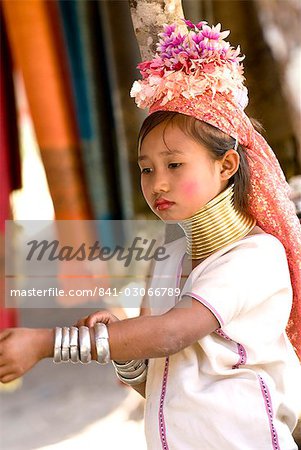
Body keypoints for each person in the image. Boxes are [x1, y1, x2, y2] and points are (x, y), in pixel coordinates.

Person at [1, 20, 301, 450]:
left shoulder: (255, 257)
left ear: (227, 166)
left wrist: (48, 342)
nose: (157, 183)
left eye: (174, 165)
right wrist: (125, 349)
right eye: (146, 168)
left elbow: (170, 333)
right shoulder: (169, 259)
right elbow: (160, 377)